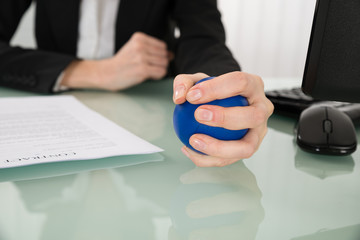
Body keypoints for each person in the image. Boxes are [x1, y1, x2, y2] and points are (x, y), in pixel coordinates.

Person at [0, 0, 273, 167]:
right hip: (53, 119)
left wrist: (224, 86)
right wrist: (96, 72)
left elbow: (202, 38)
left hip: (148, 116)